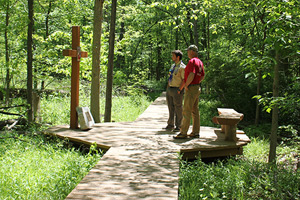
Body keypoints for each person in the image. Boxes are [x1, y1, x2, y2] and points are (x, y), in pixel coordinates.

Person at [174, 45, 205, 139]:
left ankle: (183, 132)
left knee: (186, 110)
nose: (187, 53)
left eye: (188, 51)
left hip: (191, 88)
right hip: (196, 88)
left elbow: (191, 74)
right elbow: (202, 76)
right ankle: (195, 132)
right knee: (195, 110)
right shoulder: (200, 62)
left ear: (192, 51)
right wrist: (196, 83)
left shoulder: (192, 61)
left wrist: (187, 85)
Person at [163, 50, 186, 132]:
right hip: (170, 88)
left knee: (178, 107)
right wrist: (167, 87)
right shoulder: (173, 66)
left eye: (173, 55)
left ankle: (179, 125)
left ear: (178, 57)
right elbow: (170, 77)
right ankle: (170, 124)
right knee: (170, 107)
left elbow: (184, 80)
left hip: (177, 89)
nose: (172, 57)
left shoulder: (182, 67)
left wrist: (180, 89)